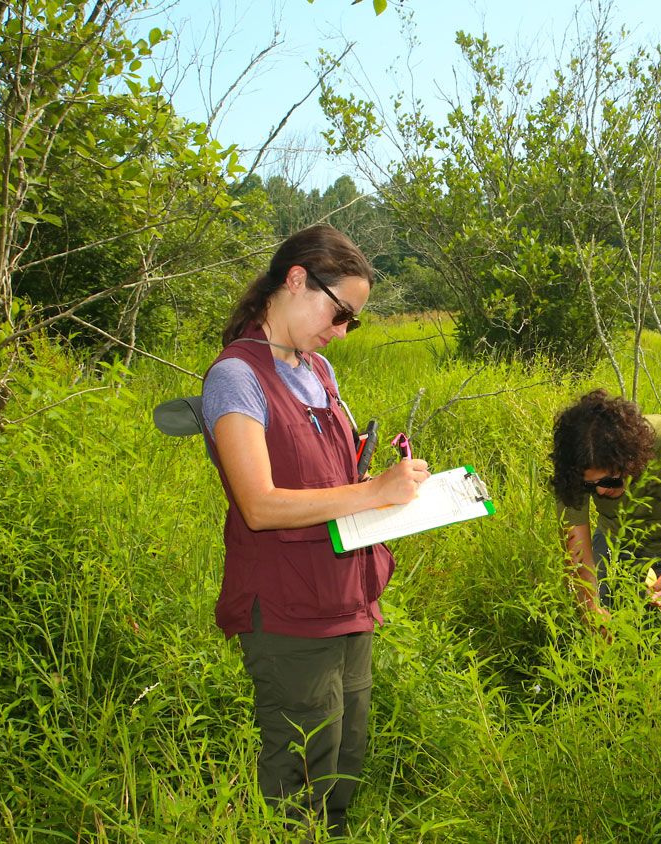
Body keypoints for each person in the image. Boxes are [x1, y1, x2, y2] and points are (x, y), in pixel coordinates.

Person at [200, 224, 430, 836]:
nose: (343, 330)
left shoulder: (319, 370)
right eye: (342, 312)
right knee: (298, 765)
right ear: (297, 280)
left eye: (353, 320)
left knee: (344, 758)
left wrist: (397, 487)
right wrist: (373, 490)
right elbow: (260, 505)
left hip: (347, 595)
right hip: (286, 605)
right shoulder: (235, 377)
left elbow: (333, 482)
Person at [550, 389, 661, 632]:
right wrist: (591, 610)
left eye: (610, 482)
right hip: (618, 542)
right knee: (588, 625)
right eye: (589, 486)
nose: (600, 493)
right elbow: (578, 559)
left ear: (630, 461)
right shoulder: (573, 466)